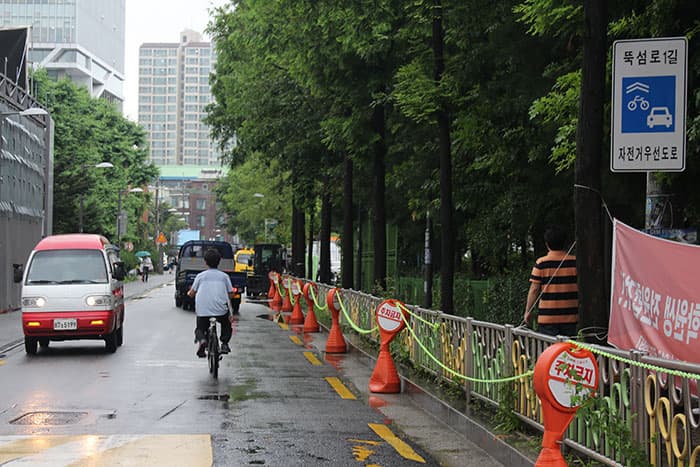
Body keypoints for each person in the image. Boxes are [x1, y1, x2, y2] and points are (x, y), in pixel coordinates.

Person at [524, 226, 578, 337]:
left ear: (547, 244)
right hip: (570, 317)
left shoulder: (541, 263)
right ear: (565, 243)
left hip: (547, 318)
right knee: (568, 351)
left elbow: (534, 290)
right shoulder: (575, 262)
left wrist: (528, 311)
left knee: (550, 352)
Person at [187, 248, 234, 357]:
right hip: (220, 311)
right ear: (219, 261)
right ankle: (225, 344)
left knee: (200, 328)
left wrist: (189, 293)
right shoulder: (224, 277)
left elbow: (192, 292)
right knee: (226, 324)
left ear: (205, 261)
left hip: (203, 311)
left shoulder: (200, 276)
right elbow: (231, 294)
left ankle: (203, 340)